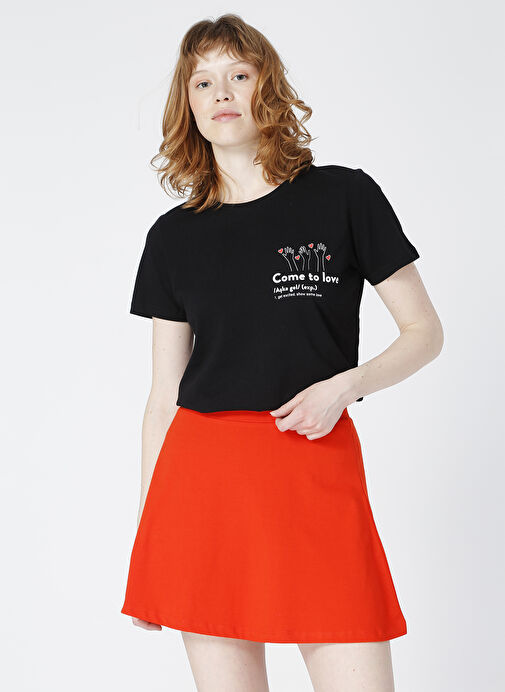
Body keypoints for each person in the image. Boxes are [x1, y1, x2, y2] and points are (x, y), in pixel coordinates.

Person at [120, 13, 444, 692]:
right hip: (204, 485)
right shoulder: (172, 237)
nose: (221, 92)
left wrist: (343, 386)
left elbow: (423, 332)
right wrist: (149, 542)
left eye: (238, 74)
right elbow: (162, 398)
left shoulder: (345, 196)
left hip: (315, 465)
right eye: (202, 81)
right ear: (188, 105)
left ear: (265, 86)